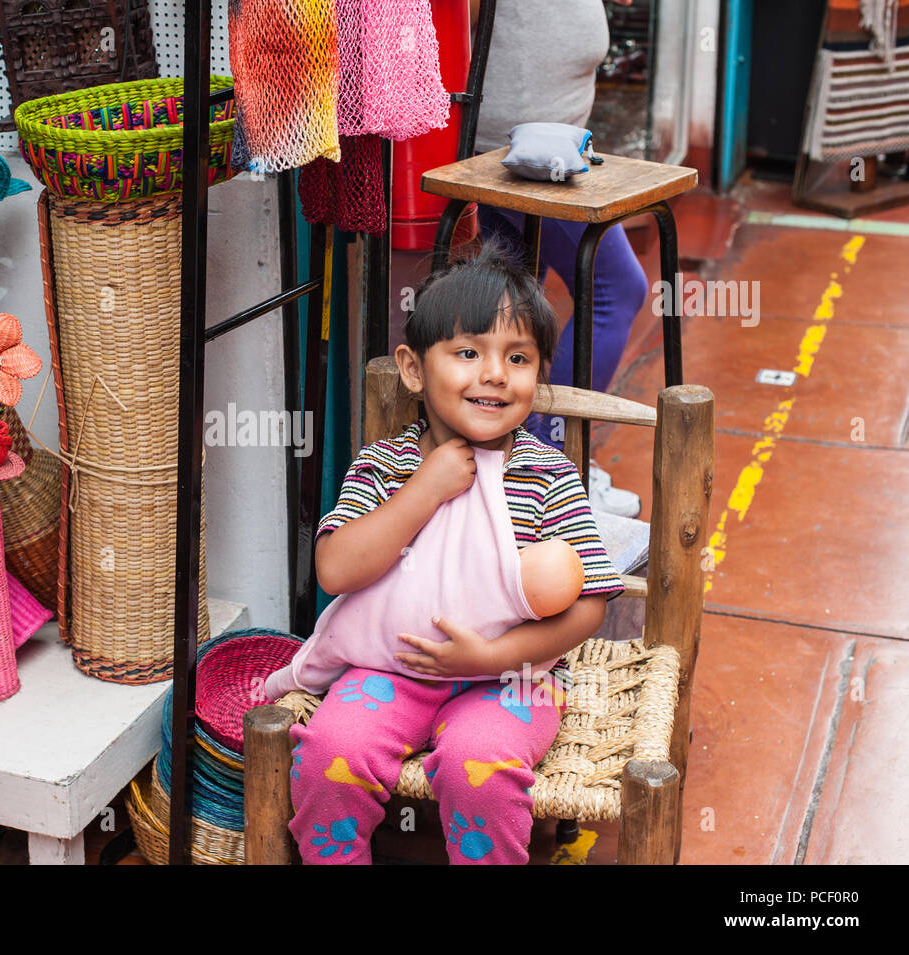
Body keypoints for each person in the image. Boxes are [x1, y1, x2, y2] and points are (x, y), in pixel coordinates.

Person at [265, 239, 625, 864]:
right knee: (331, 749)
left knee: (474, 764)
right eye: (467, 352)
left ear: (538, 379)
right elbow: (336, 569)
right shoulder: (387, 464)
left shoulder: (544, 475)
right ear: (412, 369)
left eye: (518, 358)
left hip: (511, 679)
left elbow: (588, 605)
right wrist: (421, 493)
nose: (493, 374)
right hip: (386, 670)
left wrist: (491, 655)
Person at [470, 0, 646, 517]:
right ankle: (550, 466)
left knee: (514, 304)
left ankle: (513, 470)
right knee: (616, 288)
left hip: (547, 139)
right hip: (525, 147)